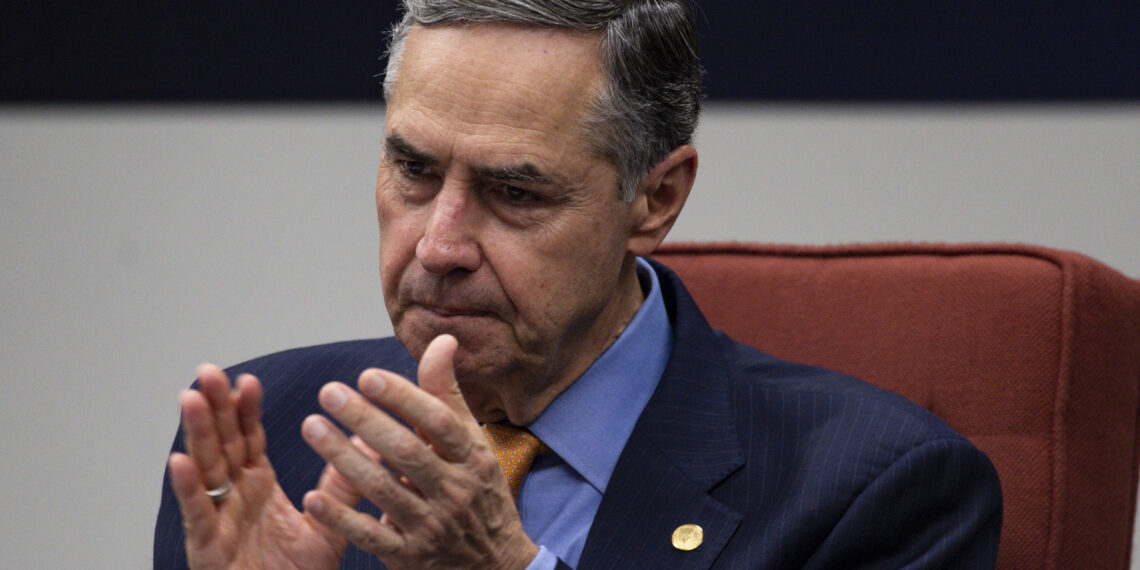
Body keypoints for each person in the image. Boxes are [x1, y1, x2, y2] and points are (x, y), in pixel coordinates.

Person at [154, 1, 1002, 568]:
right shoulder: (263, 436)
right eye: (412, 170)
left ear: (655, 200)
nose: (440, 244)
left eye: (516, 193)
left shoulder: (877, 493)